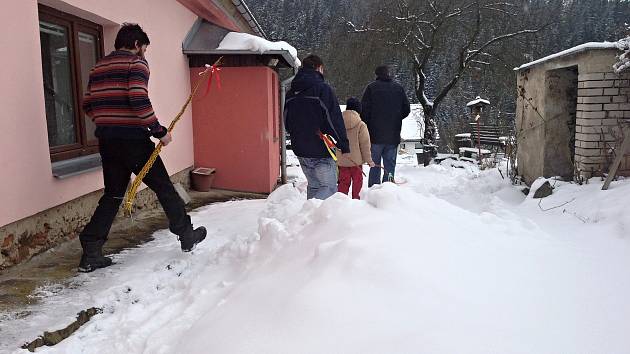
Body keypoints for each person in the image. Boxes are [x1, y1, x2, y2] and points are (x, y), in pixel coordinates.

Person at [78, 23, 206, 273]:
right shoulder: (135, 64)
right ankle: (186, 234)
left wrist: (106, 122)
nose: (144, 54)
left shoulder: (98, 67)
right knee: (164, 188)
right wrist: (159, 131)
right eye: (144, 49)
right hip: (133, 141)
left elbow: (87, 104)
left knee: (113, 194)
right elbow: (138, 98)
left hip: (108, 140)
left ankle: (91, 250)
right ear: (137, 45)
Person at [285, 54, 350, 199]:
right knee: (328, 188)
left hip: (300, 147)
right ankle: (318, 219)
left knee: (314, 186)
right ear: (319, 68)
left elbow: (286, 120)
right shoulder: (322, 89)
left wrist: (297, 134)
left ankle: (310, 219)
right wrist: (343, 143)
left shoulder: (291, 92)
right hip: (321, 148)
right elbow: (334, 118)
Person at [361, 65, 411, 187]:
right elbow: (407, 109)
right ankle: (388, 188)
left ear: (377, 75)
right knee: (389, 165)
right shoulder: (398, 88)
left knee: (375, 165)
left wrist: (369, 124)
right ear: (389, 74)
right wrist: (396, 118)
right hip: (393, 135)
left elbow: (364, 110)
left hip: (374, 135)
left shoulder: (371, 88)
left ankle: (374, 189)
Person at [336, 98, 374, 199]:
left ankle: (340, 202)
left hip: (342, 161)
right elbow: (365, 145)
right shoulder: (361, 125)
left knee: (343, 183)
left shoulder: (337, 123)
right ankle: (356, 203)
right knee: (357, 183)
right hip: (356, 163)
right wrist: (369, 160)